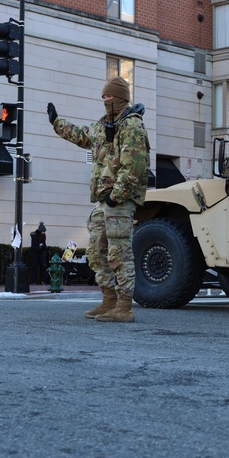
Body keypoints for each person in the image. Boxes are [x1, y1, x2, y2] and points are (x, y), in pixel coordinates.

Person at [48, 75, 150, 322]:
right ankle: (108, 301)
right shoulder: (102, 126)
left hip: (119, 202)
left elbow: (135, 166)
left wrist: (117, 196)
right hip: (103, 202)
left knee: (119, 253)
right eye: (103, 96)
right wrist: (56, 122)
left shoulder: (132, 126)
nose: (106, 100)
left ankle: (125, 307)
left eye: (110, 96)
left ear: (121, 97)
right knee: (96, 252)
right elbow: (81, 134)